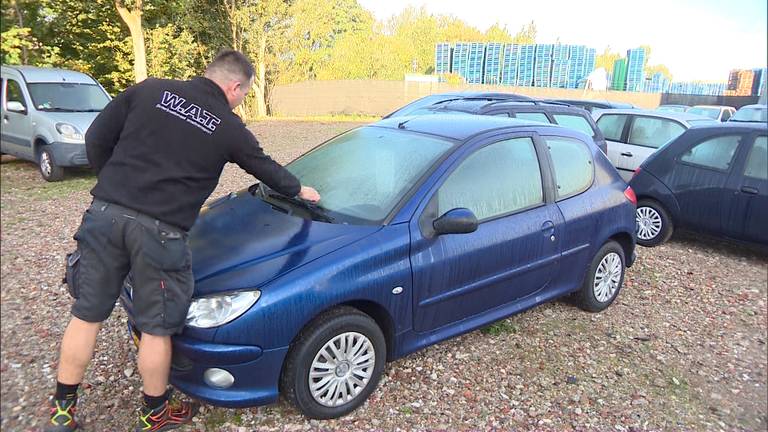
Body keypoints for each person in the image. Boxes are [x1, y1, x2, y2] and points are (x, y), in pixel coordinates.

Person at [45, 50, 320, 432]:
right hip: (161, 234)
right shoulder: (227, 125)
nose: (240, 100)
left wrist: (114, 186)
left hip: (105, 215)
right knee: (157, 327)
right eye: (242, 94)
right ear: (234, 86)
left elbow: (96, 137)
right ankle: (154, 414)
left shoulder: (150, 90)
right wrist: (299, 189)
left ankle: (62, 411)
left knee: (87, 314)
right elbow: (265, 167)